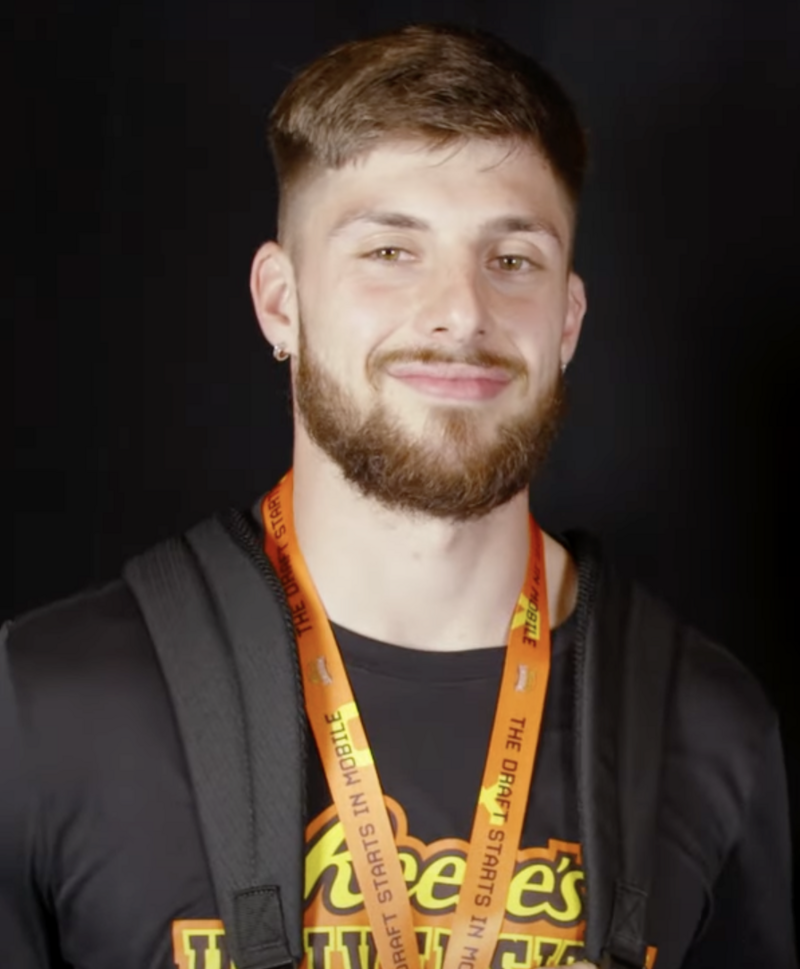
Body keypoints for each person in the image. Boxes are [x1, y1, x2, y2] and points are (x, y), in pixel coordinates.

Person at [1, 23, 795, 969]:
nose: (462, 312)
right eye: (389, 252)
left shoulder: (708, 724)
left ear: (569, 320)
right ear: (280, 302)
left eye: (513, 260)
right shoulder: (45, 704)